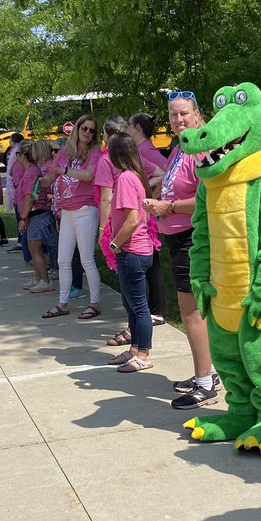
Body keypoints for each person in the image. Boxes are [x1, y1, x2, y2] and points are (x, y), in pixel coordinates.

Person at [142, 91, 220, 411]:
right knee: (191, 311)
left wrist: (168, 205)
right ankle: (207, 373)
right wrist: (157, 197)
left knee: (192, 313)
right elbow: (172, 184)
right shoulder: (179, 147)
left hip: (193, 237)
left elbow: (207, 198)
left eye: (184, 114)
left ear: (198, 114)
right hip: (176, 236)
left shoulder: (203, 147)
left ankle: (204, 382)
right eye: (173, 115)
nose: (179, 120)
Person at [42, 114, 103, 320]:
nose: (87, 133)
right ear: (77, 129)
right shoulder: (66, 151)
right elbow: (52, 176)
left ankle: (94, 304)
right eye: (84, 128)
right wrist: (39, 180)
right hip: (67, 210)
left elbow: (89, 175)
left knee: (87, 259)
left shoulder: (94, 152)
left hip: (85, 209)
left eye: (91, 130)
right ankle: (62, 303)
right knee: (62, 260)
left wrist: (63, 169)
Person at [106, 133, 155, 372]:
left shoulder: (126, 178)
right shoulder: (135, 176)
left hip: (132, 251)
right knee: (130, 304)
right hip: (137, 251)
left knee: (139, 305)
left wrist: (115, 244)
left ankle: (143, 354)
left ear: (116, 154)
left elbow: (132, 219)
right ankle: (134, 349)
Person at [127, 112, 168, 327]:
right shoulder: (139, 149)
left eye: (128, 124)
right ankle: (154, 308)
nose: (126, 128)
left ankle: (158, 309)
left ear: (137, 127)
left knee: (153, 263)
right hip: (147, 212)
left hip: (151, 214)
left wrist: (152, 196)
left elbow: (166, 172)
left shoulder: (146, 151)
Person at [18, 140, 56, 293]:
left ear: (22, 156)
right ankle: (38, 278)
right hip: (35, 215)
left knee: (35, 249)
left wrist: (23, 217)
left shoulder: (31, 172)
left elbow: (30, 197)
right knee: (33, 248)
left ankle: (45, 281)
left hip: (37, 215)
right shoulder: (32, 170)